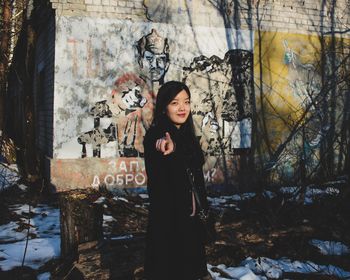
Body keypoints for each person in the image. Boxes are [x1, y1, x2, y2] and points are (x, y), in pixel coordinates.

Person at [143, 81, 212, 280]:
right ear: (164, 107)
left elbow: (195, 165)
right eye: (175, 103)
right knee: (170, 270)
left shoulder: (187, 135)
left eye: (186, 102)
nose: (182, 108)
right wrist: (169, 150)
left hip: (191, 218)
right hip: (169, 223)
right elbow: (162, 149)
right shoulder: (157, 135)